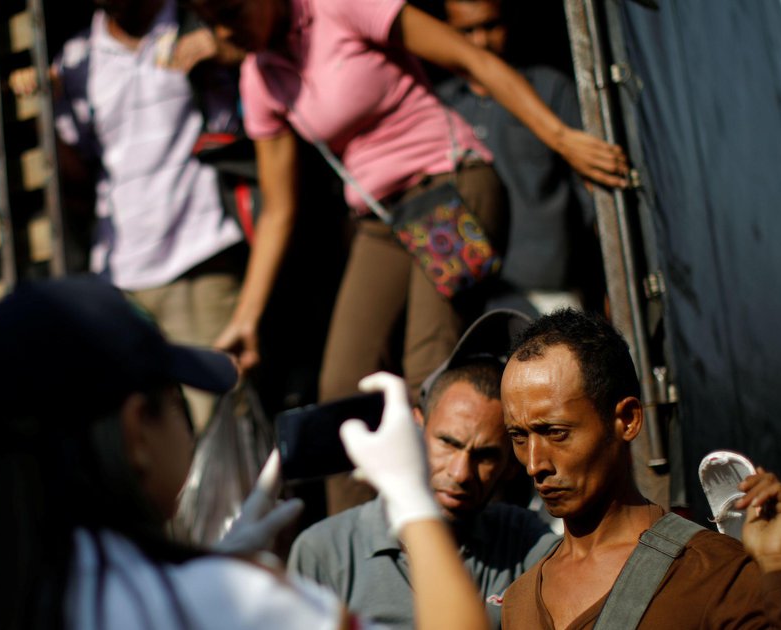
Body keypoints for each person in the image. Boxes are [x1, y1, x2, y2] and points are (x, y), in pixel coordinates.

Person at [193, 0, 626, 511]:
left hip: (452, 183)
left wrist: (563, 139)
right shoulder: (260, 78)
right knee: (342, 385)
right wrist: (247, 319)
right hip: (382, 217)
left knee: (428, 372)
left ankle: (460, 534)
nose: (225, 30)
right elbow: (277, 209)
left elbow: (472, 59)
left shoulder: (339, 7)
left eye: (233, 11)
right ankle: (357, 550)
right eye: (210, 19)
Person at [0, 275, 491, 630]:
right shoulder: (226, 601)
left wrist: (213, 561)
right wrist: (411, 500)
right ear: (138, 431)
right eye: (177, 403)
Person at [499, 309, 781, 628]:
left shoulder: (714, 573)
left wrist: (779, 566)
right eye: (518, 437)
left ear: (627, 420)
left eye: (556, 433)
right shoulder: (519, 600)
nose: (533, 464)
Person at [35, 0, 248, 428]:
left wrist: (224, 50)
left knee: (221, 423)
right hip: (121, 280)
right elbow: (78, 171)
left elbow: (265, 67)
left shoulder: (194, 22)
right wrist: (44, 106)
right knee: (143, 433)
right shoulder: (76, 58)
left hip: (199, 260)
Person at [288, 310, 558, 629]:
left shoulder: (524, 543)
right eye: (448, 442)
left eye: (485, 456)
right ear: (413, 430)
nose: (460, 473)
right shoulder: (326, 552)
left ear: (510, 466)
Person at [437, 0, 600, 316]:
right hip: (472, 297)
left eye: (490, 26)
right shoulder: (440, 106)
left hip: (550, 290)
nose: (481, 41)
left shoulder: (550, 90)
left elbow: (590, 195)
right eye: (466, 31)